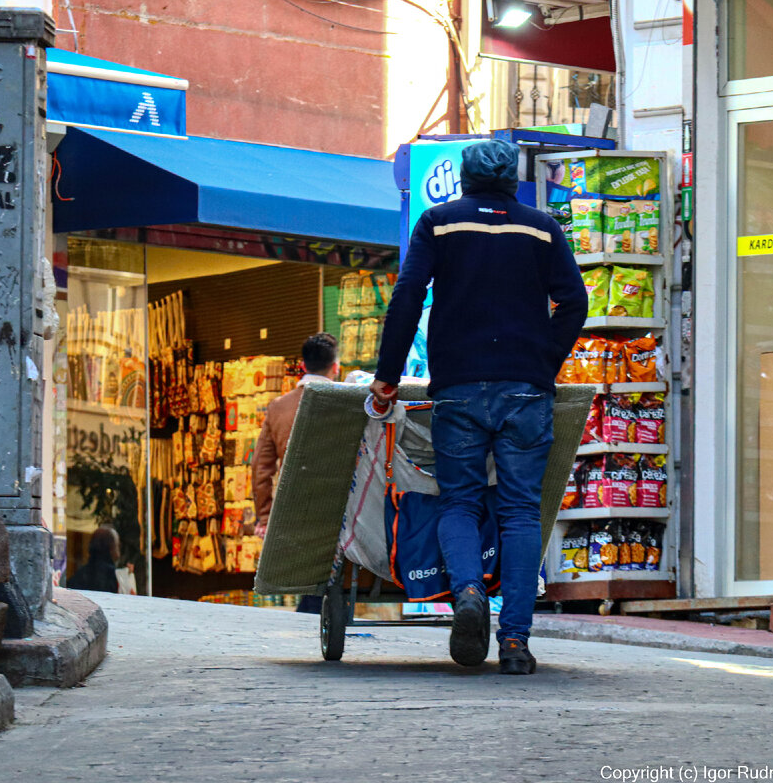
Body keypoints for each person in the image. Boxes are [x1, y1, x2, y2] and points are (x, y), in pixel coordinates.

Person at [371, 140, 588, 674]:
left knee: (460, 502)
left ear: (464, 180)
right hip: (525, 389)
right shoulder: (541, 228)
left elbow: (408, 295)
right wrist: (543, 358)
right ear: (513, 181)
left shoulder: (439, 223)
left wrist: (387, 376)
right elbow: (575, 301)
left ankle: (467, 591)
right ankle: (515, 643)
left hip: (459, 386)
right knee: (519, 512)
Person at [250, 332, 340, 614]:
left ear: (302, 365)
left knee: (309, 577)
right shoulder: (344, 402)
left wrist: (265, 514)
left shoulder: (279, 408)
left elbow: (261, 467)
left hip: (293, 507)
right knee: (330, 576)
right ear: (335, 366)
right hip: (337, 507)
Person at [68, 526, 121, 593]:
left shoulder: (79, 575)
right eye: (117, 546)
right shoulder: (110, 576)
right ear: (110, 549)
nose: (119, 554)